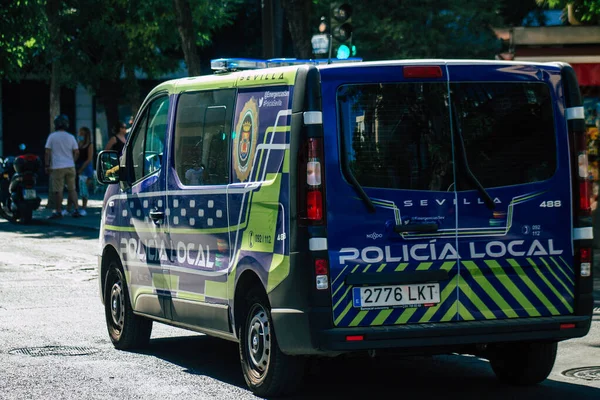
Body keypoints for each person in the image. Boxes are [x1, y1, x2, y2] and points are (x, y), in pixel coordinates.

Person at [45, 114, 81, 219]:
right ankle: (76, 209)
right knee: (72, 189)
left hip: (57, 167)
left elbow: (47, 152)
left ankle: (59, 211)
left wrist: (47, 165)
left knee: (58, 190)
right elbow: (77, 152)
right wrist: (72, 161)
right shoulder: (71, 137)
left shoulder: (52, 136)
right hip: (70, 166)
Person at [75, 126, 94, 216]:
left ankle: (84, 208)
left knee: (84, 189)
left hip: (86, 168)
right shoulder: (78, 144)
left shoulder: (90, 145)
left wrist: (81, 169)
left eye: (82, 134)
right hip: (78, 167)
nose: (80, 135)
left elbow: (89, 159)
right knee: (79, 188)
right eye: (79, 133)